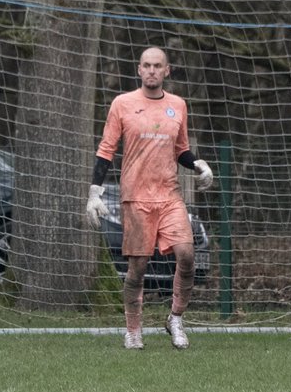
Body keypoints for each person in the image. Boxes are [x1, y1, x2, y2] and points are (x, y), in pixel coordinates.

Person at [86, 47, 214, 350]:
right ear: (139, 70)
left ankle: (175, 318)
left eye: (158, 66)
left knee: (187, 255)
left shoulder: (178, 105)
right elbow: (106, 149)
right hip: (135, 197)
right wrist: (94, 191)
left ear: (166, 71)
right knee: (138, 267)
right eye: (147, 65)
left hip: (169, 195)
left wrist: (198, 164)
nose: (152, 71)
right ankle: (133, 329)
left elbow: (180, 149)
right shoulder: (122, 104)